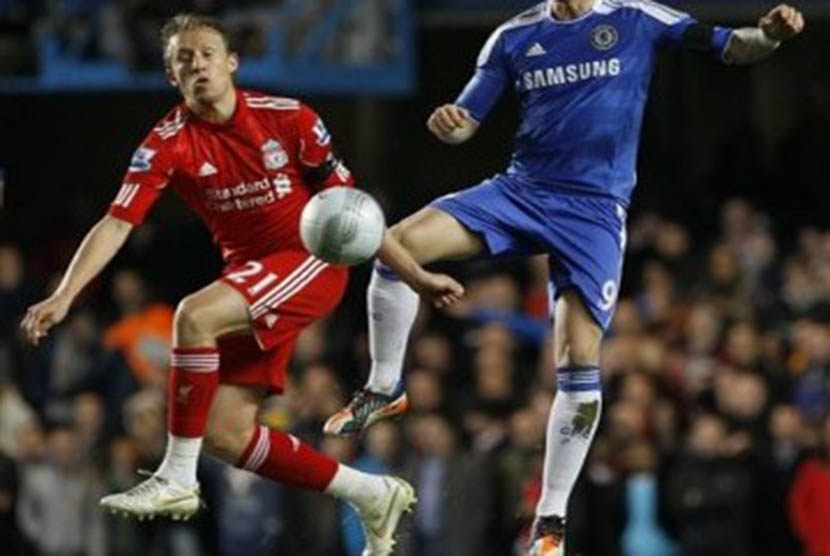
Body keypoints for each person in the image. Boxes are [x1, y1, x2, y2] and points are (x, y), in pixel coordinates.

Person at [323, 1, 805, 554]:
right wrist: (451, 127)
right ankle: (385, 386)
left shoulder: (636, 18)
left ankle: (550, 520)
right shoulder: (513, 36)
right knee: (395, 244)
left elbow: (732, 46)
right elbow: (465, 121)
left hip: (593, 211)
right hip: (521, 190)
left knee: (578, 360)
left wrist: (768, 34)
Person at [20, 13, 460, 555]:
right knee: (226, 434)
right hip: (249, 281)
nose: (197, 64)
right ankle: (371, 492)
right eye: (184, 58)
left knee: (193, 315)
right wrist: (64, 295)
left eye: (206, 53)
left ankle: (177, 477)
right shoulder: (167, 142)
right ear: (171, 76)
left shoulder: (289, 118)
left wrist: (414, 274)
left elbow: (355, 212)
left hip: (310, 261)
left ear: (231, 62)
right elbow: (117, 222)